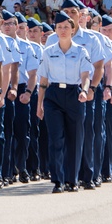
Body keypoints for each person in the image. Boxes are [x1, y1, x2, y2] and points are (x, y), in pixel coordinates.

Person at [36, 11, 92, 193]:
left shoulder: (80, 51)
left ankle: (72, 180)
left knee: (75, 139)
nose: (63, 30)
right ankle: (58, 180)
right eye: (59, 27)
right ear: (55, 30)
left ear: (73, 29)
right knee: (56, 138)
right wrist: (39, 104)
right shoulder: (48, 52)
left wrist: (84, 91)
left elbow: (85, 75)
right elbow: (43, 80)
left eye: (66, 27)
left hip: (74, 94)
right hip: (53, 96)